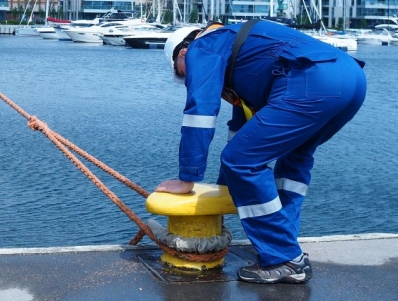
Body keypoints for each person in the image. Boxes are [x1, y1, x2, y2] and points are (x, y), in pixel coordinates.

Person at [156, 20, 367, 284]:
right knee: (296, 155)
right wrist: (227, 187)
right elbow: (241, 129)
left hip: (310, 81)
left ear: (183, 52)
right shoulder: (240, 52)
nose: (187, 78)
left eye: (182, 73)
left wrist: (187, 179)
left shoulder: (204, 46)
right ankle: (285, 245)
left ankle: (283, 258)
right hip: (351, 78)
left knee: (241, 162)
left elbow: (200, 113)